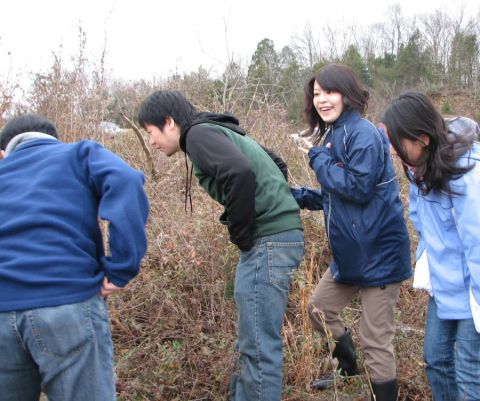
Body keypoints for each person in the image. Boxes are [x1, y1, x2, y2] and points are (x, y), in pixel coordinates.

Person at [137, 90, 304, 401]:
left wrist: (242, 234)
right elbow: (275, 161)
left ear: (169, 122)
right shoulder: (217, 129)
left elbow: (239, 173)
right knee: (251, 342)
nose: (152, 142)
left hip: (267, 242)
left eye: (150, 133)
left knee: (257, 347)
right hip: (279, 237)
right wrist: (275, 205)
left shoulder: (198, 135)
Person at [0, 114, 149, 401]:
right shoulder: (78, 153)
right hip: (65, 301)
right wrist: (121, 268)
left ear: (4, 151)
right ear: (54, 138)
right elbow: (126, 181)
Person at [291, 64, 411, 401]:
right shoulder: (333, 134)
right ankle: (347, 368)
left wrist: (317, 159)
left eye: (329, 92)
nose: (322, 100)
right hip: (351, 256)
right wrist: (300, 196)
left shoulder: (362, 134)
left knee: (375, 339)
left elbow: (357, 188)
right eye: (316, 94)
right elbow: (340, 195)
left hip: (379, 255)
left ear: (347, 94)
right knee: (318, 309)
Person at [382, 91, 480, 401]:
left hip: (472, 289)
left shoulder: (466, 171)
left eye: (397, 142)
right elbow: (420, 219)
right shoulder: (417, 169)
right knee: (435, 360)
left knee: (468, 371)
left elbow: (477, 240)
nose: (392, 151)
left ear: (422, 138)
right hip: (443, 284)